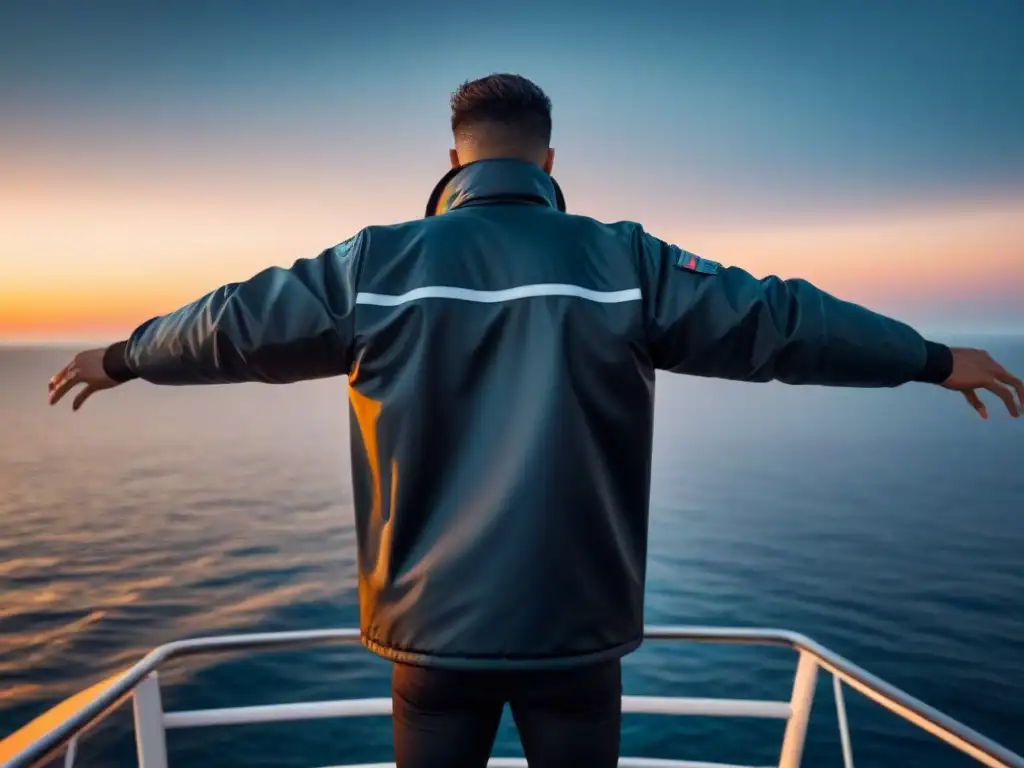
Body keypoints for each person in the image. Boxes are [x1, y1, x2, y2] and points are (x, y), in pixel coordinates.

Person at [48, 73, 1021, 767]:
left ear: (451, 160)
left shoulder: (375, 265)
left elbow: (231, 326)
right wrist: (928, 359)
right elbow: (784, 322)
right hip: (576, 631)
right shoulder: (625, 263)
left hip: (425, 631)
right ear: (549, 158)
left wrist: (125, 356)